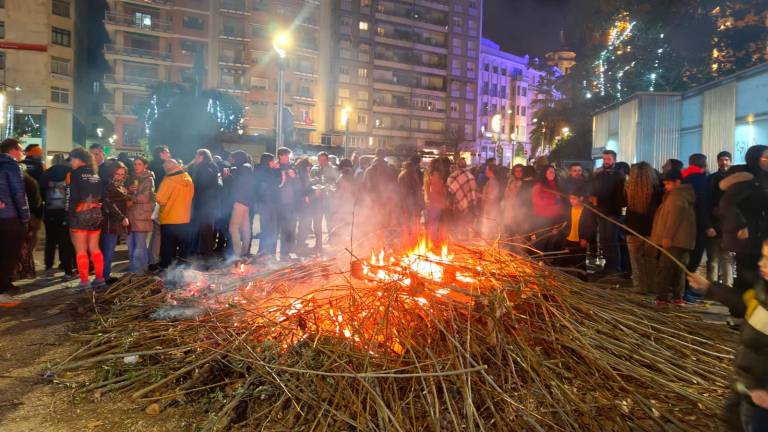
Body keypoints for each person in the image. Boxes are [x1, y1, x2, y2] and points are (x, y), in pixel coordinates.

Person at [688, 239, 768, 432]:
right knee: (731, 421)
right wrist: (709, 287)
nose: (761, 263)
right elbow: (743, 304)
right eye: (763, 256)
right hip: (746, 381)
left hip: (762, 396)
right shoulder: (763, 290)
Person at [720, 145, 768, 296]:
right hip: (747, 234)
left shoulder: (764, 177)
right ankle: (740, 312)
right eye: (765, 158)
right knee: (746, 273)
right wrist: (741, 225)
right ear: (755, 158)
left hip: (760, 232)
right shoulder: (746, 177)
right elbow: (727, 204)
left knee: (757, 273)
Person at [650, 169, 696, 305]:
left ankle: (662, 298)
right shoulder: (682, 194)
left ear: (678, 182)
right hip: (682, 240)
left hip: (674, 240)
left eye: (668, 184)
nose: (666, 187)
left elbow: (674, 219)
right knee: (678, 269)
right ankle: (677, 297)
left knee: (666, 268)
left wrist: (667, 237)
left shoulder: (677, 196)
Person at [67, 147, 105, 289]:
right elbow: (103, 196)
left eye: (71, 159)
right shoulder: (96, 175)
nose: (71, 163)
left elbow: (71, 197)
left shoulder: (74, 174)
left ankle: (84, 281)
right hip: (96, 213)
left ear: (78, 159)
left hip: (80, 214)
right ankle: (100, 279)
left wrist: (69, 215)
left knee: (81, 250)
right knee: (94, 248)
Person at [624, 162, 663, 293]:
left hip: (633, 228)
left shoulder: (629, 189)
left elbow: (622, 203)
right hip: (653, 230)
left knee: (636, 261)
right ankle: (653, 286)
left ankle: (640, 287)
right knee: (651, 259)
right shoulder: (658, 189)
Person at [0, 139, 29, 307]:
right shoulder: (11, 166)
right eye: (20, 150)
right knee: (8, 256)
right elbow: (19, 193)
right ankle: (1, 293)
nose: (21, 153)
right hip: (10, 218)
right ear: (12, 150)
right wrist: (25, 217)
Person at [682, 153, 713, 302]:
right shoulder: (700, 179)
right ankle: (685, 291)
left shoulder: (683, 177)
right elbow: (702, 204)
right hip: (698, 225)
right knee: (693, 259)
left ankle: (683, 289)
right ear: (704, 164)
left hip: (684, 223)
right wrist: (707, 225)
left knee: (684, 258)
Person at [591, 150, 626, 275]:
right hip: (601, 211)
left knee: (611, 240)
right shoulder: (600, 175)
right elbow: (595, 190)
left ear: (614, 160)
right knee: (604, 240)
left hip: (612, 213)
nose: (606, 161)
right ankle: (607, 266)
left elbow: (621, 197)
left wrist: (617, 211)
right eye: (604, 159)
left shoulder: (619, 176)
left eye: (608, 159)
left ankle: (615, 268)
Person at [40, 154, 75, 276]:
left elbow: (41, 190)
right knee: (65, 240)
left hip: (50, 210)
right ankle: (65, 265)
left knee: (50, 239)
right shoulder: (70, 172)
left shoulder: (46, 173)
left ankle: (48, 264)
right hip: (65, 210)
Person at [156, 159, 195, 269]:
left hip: (169, 218)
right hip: (185, 218)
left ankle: (166, 267)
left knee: (167, 247)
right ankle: (182, 269)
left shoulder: (168, 180)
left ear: (168, 168)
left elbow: (160, 199)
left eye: (164, 166)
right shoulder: (188, 178)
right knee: (183, 246)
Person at [556, 189, 597, 280]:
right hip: (568, 239)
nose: (572, 201)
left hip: (580, 241)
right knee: (562, 261)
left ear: (581, 198)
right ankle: (562, 280)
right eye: (570, 199)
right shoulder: (569, 209)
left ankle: (582, 281)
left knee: (580, 262)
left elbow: (592, 226)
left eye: (574, 199)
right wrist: (558, 229)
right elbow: (566, 223)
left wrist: (585, 238)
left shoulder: (587, 211)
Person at [188, 149, 222, 257]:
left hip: (205, 205)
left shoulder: (204, 169)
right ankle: (204, 252)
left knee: (206, 229)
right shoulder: (212, 167)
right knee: (205, 229)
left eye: (196, 155)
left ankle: (208, 255)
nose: (195, 158)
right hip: (209, 204)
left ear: (202, 156)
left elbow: (200, 187)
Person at [708, 151, 735, 285]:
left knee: (727, 258)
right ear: (717, 161)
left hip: (730, 225)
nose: (724, 163)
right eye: (721, 160)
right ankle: (712, 288)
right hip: (714, 223)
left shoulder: (737, 179)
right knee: (712, 258)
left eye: (726, 160)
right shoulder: (711, 178)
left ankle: (728, 287)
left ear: (730, 161)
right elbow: (706, 201)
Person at [100, 162, 130, 283]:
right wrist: (122, 217)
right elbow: (109, 204)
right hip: (109, 223)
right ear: (112, 173)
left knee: (109, 251)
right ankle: (103, 277)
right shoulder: (108, 185)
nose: (119, 176)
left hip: (115, 223)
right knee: (107, 251)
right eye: (117, 174)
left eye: (122, 174)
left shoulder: (119, 185)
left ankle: (105, 275)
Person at [126, 157, 155, 275]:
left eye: (139, 164)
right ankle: (133, 269)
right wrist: (128, 190)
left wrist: (131, 198)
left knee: (140, 245)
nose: (136, 166)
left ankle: (141, 271)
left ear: (145, 166)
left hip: (142, 214)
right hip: (130, 214)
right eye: (135, 164)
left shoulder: (149, 179)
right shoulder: (130, 178)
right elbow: (124, 193)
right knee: (130, 244)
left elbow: (146, 197)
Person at [225, 151, 255, 258]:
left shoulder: (241, 168)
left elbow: (236, 184)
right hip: (246, 202)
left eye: (232, 158)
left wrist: (228, 177)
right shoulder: (247, 167)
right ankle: (244, 252)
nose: (230, 160)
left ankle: (237, 254)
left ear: (236, 158)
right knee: (245, 228)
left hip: (240, 202)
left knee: (233, 228)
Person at [254, 153, 280, 257]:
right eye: (273, 160)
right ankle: (266, 252)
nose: (275, 162)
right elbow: (273, 184)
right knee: (270, 229)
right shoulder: (267, 172)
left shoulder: (258, 170)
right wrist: (276, 170)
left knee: (266, 228)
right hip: (268, 202)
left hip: (264, 203)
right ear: (269, 161)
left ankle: (264, 251)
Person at [148, 145, 171, 266]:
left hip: (151, 200)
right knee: (158, 232)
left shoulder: (151, 165)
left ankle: (151, 257)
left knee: (154, 232)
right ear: (161, 153)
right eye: (167, 152)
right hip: (160, 201)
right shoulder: (164, 166)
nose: (169, 154)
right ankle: (155, 260)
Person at [446, 157, 478, 240]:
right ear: (466, 165)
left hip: (457, 205)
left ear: (457, 165)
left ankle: (458, 242)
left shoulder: (452, 176)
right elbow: (473, 191)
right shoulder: (471, 176)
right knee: (466, 224)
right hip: (469, 205)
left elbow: (450, 191)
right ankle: (466, 242)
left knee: (458, 223)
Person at [276, 148, 300, 258]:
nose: (288, 158)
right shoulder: (276, 167)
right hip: (279, 203)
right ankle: (282, 253)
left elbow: (299, 184)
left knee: (290, 228)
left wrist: (294, 177)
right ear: (280, 156)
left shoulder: (293, 168)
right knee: (282, 229)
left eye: (288, 156)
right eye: (286, 156)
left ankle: (287, 251)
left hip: (292, 203)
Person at [398, 155, 424, 243]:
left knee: (406, 222)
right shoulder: (412, 177)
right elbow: (418, 190)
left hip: (405, 203)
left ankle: (406, 240)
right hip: (412, 204)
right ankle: (412, 240)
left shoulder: (401, 176)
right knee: (413, 222)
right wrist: (420, 203)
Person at [423, 158, 448, 243]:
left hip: (430, 204)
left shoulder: (428, 176)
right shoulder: (436, 176)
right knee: (433, 224)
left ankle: (428, 243)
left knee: (429, 225)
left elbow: (426, 191)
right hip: (435, 205)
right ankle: (431, 242)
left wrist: (427, 201)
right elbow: (437, 190)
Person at [480, 164, 502, 240]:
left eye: (486, 169)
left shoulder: (493, 182)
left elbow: (491, 197)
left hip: (491, 209)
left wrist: (479, 195)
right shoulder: (492, 181)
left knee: (488, 230)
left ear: (490, 171)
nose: (485, 171)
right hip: (490, 209)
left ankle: (488, 247)